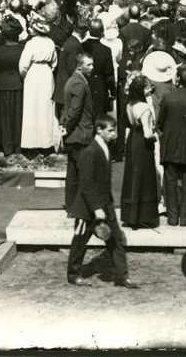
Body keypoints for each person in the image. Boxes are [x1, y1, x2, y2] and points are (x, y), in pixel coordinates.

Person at [65, 114, 137, 289]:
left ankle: (122, 276)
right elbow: (87, 184)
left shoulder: (104, 147)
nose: (114, 134)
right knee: (80, 241)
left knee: (116, 239)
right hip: (87, 208)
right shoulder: (91, 151)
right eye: (110, 131)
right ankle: (73, 274)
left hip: (105, 204)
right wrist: (96, 208)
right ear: (99, 130)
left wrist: (105, 206)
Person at [155, 67, 186, 226]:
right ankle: (185, 216)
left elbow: (160, 122)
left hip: (170, 144)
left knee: (170, 181)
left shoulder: (168, 98)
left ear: (178, 81)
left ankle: (172, 217)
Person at [120, 74, 159, 228]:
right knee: (144, 176)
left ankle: (131, 215)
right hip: (143, 144)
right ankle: (144, 215)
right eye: (147, 87)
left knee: (133, 176)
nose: (150, 89)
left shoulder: (129, 104)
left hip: (132, 141)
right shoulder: (144, 108)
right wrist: (156, 136)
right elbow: (148, 133)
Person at [60, 50, 96, 209]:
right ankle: (81, 207)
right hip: (80, 133)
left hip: (75, 134)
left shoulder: (74, 81)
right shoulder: (79, 84)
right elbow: (74, 111)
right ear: (80, 67)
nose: (92, 67)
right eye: (89, 65)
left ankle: (71, 205)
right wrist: (67, 128)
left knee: (73, 172)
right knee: (83, 173)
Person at [19, 14, 58, 152]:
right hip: (46, 74)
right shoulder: (50, 42)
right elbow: (54, 62)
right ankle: (46, 142)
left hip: (33, 73)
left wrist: (26, 75)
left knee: (31, 108)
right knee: (46, 107)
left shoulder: (31, 43)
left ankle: (31, 143)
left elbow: (23, 65)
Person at [0, 16, 25, 156]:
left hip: (1, 87)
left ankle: (6, 146)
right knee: (18, 117)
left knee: (3, 119)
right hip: (18, 85)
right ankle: (18, 145)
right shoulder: (23, 49)